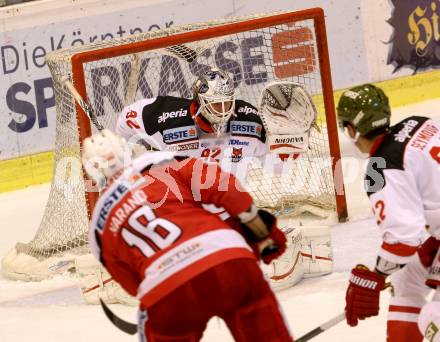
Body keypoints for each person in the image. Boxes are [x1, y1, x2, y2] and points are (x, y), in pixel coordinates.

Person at [81, 129, 292, 342]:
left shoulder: (99, 225)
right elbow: (227, 190)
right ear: (126, 150)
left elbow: (133, 285)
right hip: (228, 262)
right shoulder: (161, 161)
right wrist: (262, 233)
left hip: (167, 291)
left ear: (93, 172)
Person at [337, 83, 440, 341]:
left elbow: (404, 237)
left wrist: (376, 276)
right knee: (405, 277)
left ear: (352, 129)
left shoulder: (379, 168)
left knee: (434, 317)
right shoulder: (419, 123)